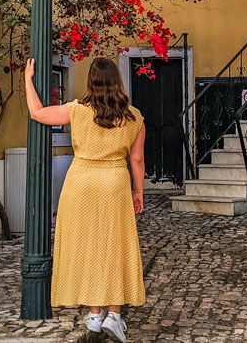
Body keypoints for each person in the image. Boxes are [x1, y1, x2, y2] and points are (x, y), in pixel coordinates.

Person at [25, 57, 146, 343]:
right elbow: (137, 159)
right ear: (118, 81)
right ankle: (114, 315)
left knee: (88, 245)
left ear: (90, 81)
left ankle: (94, 314)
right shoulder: (133, 117)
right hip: (114, 181)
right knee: (114, 245)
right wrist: (138, 191)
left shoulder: (77, 110)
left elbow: (37, 112)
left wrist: (28, 80)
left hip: (80, 182)